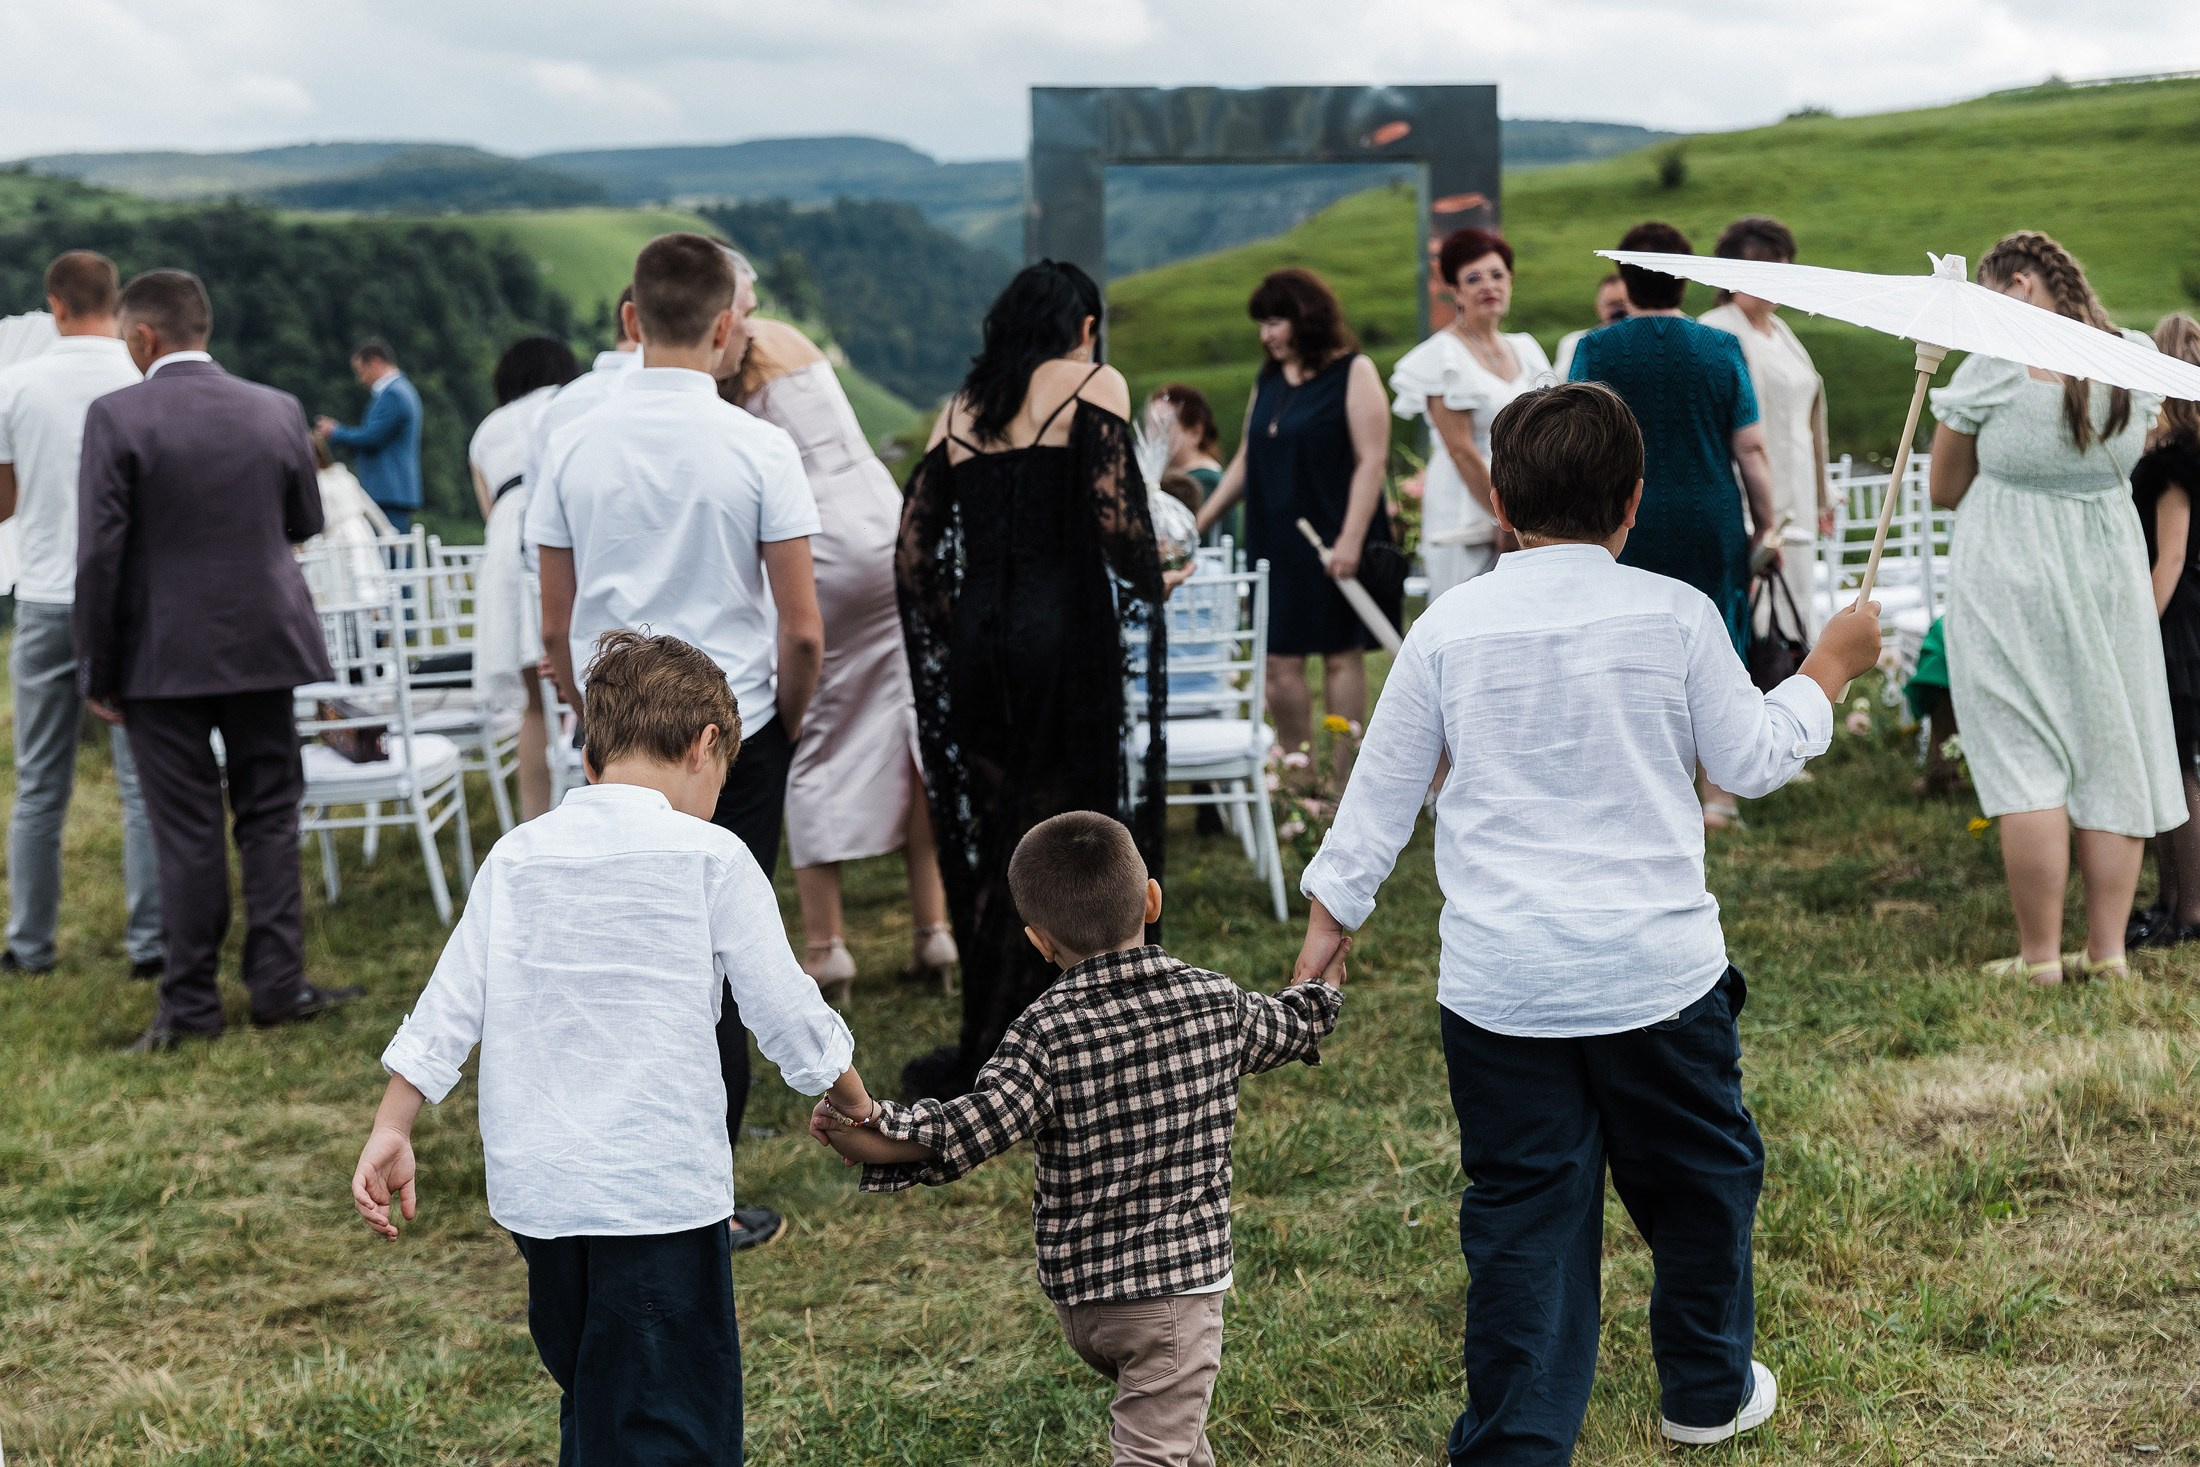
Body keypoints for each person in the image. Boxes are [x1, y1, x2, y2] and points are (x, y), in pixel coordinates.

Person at [1295, 382, 1885, 1460]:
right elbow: (1751, 758)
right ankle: (1705, 1388)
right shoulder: (1676, 614)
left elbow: (1376, 800)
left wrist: (1327, 931)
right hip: (1658, 977)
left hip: (1501, 987)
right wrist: (1826, 671)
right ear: (1633, 502)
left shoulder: (1446, 629)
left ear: (1501, 503)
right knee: (1701, 1184)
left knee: (1524, 1212)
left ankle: (1518, 1441)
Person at [351, 629, 880, 1467]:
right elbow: (787, 1009)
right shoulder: (712, 856)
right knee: (670, 1422)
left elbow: (448, 1005)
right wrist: (855, 1101)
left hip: (542, 1199)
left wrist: (393, 1125)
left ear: (592, 754)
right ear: (706, 744)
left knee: (597, 1390)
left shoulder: (516, 855)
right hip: (656, 1191)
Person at [815, 811, 1348, 1467]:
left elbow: (969, 1128)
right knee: (1154, 1449)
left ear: (1039, 941)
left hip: (1086, 1302)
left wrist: (870, 1124)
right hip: (1173, 1302)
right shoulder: (1215, 1002)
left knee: (1175, 1438)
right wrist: (1321, 989)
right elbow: (1293, 1025)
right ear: (1151, 900)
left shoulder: (1041, 1033)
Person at [529, 232, 824, 1251]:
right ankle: (704, 1195)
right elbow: (801, 628)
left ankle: (606, 1162)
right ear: (727, 326)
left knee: (612, 949)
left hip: (613, 734)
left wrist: (586, 715)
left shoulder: (572, 443)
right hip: (726, 734)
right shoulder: (759, 448)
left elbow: (554, 623)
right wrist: (786, 718)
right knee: (722, 955)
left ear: (630, 320)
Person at [897, 259, 1168, 1100]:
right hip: (1064, 640)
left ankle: (996, 1034)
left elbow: (912, 557)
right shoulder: (1095, 383)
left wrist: (965, 624)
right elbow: (1117, 521)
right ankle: (1090, 1030)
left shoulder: (960, 410)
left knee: (1000, 838)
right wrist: (1157, 574)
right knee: (1078, 834)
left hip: (980, 643)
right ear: (1084, 327)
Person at [77, 268, 360, 1052]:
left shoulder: (116, 416)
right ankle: (278, 983)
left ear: (143, 336)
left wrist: (97, 666)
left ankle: (193, 1003)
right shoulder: (277, 409)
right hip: (265, 641)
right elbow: (304, 519)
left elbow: (99, 555)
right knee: (270, 813)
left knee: (187, 826)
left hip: (159, 652)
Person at [1929, 230, 2183, 983]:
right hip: (2109, 567)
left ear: (2019, 285)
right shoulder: (2133, 355)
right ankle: (2108, 953)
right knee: (2113, 748)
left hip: (2009, 570)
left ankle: (2040, 958)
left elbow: (1944, 489)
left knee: (2024, 756)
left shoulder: (1995, 363)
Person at [714, 254, 955, 1001]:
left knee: (813, 730)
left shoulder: (729, 363)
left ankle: (827, 948)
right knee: (905, 726)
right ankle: (933, 930)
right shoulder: (791, 340)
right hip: (886, 524)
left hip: (818, 539)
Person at [1569, 221, 1781, 830]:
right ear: (1687, 279)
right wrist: (1767, 526)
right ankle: (1719, 796)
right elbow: (1751, 448)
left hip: (1620, 518)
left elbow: (1576, 441)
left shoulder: (1594, 349)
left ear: (1624, 278)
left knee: (1622, 643)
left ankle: (1633, 785)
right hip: (1709, 515)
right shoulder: (1721, 347)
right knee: (1719, 646)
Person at [0, 249, 164, 980]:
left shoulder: (15, 385)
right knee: (140, 785)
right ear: (115, 301)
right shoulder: (142, 379)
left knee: (39, 784)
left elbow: (3, 504)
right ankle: (150, 945)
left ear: (56, 306)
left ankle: (30, 945)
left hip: (45, 597)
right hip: (131, 601)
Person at [1192, 268, 1393, 769]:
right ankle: (1300, 778)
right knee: (1278, 661)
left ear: (1306, 317)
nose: (1266, 336)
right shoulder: (1268, 379)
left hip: (1333, 534)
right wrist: (1199, 521)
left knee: (1340, 654)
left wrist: (1350, 540)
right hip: (1274, 538)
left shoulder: (1354, 371)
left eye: (1274, 322)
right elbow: (1248, 457)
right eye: (1261, 325)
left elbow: (1372, 460)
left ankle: (1344, 782)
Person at [1388, 228, 1553, 598]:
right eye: (1474, 278)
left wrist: (1531, 509)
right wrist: (1502, 517)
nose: (1488, 286)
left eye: (1497, 275)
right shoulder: (1442, 356)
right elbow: (1460, 449)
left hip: (1524, 502)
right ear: (1455, 290)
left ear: (1510, 281)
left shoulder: (1525, 349)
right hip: (1466, 505)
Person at [1698, 216, 1832, 639]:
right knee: (1758, 614)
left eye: (1784, 266)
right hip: (1750, 495)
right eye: (1766, 267)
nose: (1778, 278)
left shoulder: (1782, 331)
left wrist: (1822, 495)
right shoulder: (1716, 329)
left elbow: (1809, 416)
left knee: (1795, 603)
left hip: (1798, 492)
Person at [469, 336, 579, 823]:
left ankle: (534, 824)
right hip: (558, 537)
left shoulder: (485, 432)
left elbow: (490, 510)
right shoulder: (568, 404)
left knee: (534, 707)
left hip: (504, 556)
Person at [2128, 312, 2200, 948]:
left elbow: (2170, 557)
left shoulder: (2175, 464)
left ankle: (2188, 910)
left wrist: (2138, 631)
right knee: (2173, 761)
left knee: (2177, 765)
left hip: (2175, 621)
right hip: (2187, 615)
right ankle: (2169, 900)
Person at [315, 338, 423, 532]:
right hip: (393, 492)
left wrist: (335, 431)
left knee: (390, 548)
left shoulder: (394, 394)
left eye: (361, 371)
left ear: (375, 362)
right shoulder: (400, 390)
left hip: (388, 492)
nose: (360, 379)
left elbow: (372, 437)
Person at [299, 435, 397, 603]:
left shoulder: (320, 483)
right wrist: (388, 531)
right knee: (360, 582)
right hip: (360, 533)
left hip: (340, 539)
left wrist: (306, 547)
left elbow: (322, 522)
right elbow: (370, 507)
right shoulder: (344, 476)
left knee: (342, 583)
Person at [1149, 383, 1225, 522]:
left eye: (1163, 425)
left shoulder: (1206, 482)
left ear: (1195, 432)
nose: (1152, 435)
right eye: (1151, 426)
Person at [1551, 272, 1630, 380]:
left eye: (1623, 303)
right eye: (1611, 304)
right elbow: (1559, 381)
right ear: (1598, 308)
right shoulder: (1573, 342)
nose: (1618, 310)